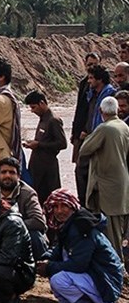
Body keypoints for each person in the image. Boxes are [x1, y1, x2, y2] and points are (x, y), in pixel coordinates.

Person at [37, 189, 124, 303]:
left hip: (104, 277)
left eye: (64, 206)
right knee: (58, 281)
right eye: (55, 206)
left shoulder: (81, 227)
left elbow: (78, 265)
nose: (59, 211)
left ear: (72, 206)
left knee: (58, 280)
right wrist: (45, 259)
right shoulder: (68, 225)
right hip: (93, 273)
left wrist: (49, 267)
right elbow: (59, 249)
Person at [78, 96, 129, 266]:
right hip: (120, 184)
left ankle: (116, 268)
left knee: (111, 231)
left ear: (101, 112)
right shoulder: (123, 126)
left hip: (107, 186)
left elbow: (84, 149)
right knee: (118, 229)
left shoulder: (105, 128)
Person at [76, 64, 116, 205]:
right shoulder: (92, 95)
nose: (89, 81)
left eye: (92, 78)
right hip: (90, 136)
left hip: (101, 140)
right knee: (82, 172)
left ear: (100, 80)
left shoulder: (110, 95)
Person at [0, 156, 49, 262]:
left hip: (21, 236)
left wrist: (11, 226)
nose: (7, 175)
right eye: (4, 172)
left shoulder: (27, 193)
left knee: (35, 235)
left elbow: (38, 221)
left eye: (12, 173)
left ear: (19, 176)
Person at [23, 91, 67, 205]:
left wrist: (39, 145)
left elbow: (62, 143)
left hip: (48, 170)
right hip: (37, 168)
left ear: (42, 103)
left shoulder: (53, 120)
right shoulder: (43, 119)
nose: (32, 111)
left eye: (33, 107)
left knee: (50, 201)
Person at [71, 52, 101, 200]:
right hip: (81, 133)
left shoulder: (103, 89)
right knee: (79, 169)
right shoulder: (84, 83)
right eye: (89, 65)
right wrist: (75, 131)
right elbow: (80, 109)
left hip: (90, 134)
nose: (91, 67)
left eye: (94, 65)